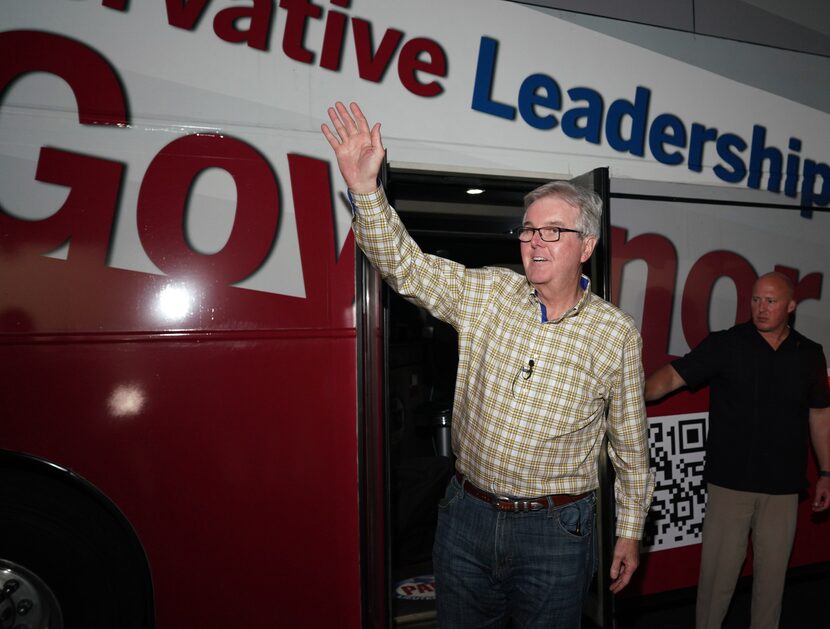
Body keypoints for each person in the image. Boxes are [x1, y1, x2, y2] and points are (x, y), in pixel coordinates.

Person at [321, 101, 653, 628]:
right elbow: (408, 268)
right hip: (466, 520)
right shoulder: (489, 294)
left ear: (586, 245)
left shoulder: (614, 333)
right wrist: (365, 191)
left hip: (555, 531)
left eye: (552, 231)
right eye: (528, 230)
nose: (535, 241)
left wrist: (630, 531)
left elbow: (631, 447)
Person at [644, 271, 830, 629]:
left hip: (783, 487)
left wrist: (826, 472)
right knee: (717, 581)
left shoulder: (809, 353)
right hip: (730, 483)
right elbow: (672, 377)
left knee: (772, 582)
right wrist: (629, 395)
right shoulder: (727, 344)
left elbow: (820, 414)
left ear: (791, 306)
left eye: (770, 301)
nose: (761, 308)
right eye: (756, 300)